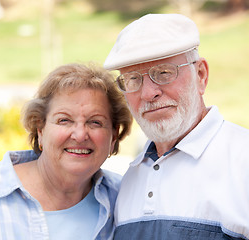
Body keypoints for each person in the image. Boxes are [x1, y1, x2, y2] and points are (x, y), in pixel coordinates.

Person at [0, 63, 132, 239]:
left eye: (95, 122)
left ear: (114, 135)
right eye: (64, 120)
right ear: (40, 129)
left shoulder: (126, 199)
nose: (79, 134)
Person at [103, 13, 249, 239]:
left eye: (163, 73)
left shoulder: (242, 160)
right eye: (133, 79)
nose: (149, 93)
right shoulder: (131, 180)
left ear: (201, 75)